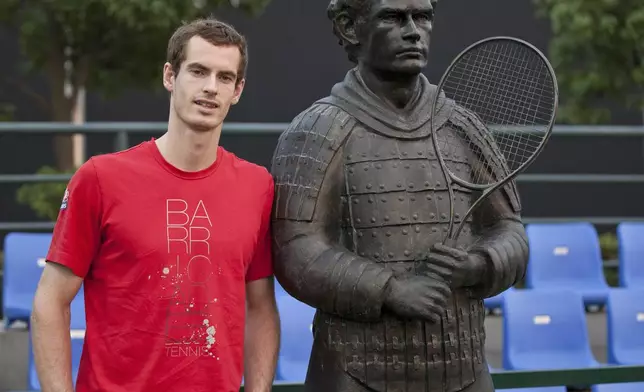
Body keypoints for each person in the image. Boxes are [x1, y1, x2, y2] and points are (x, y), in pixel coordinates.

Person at [269, 0, 529, 391]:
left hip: (462, 365)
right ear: (349, 27)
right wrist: (390, 290)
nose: (413, 30)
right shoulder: (315, 131)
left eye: (422, 17)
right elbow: (296, 252)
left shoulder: (463, 126)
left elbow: (511, 230)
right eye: (392, 17)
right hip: (356, 368)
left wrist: (478, 266)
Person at [31, 18, 280, 392]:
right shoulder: (101, 179)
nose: (210, 88)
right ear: (169, 76)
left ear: (238, 90)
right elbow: (49, 303)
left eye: (225, 77)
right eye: (198, 71)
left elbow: (260, 307)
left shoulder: (257, 186)